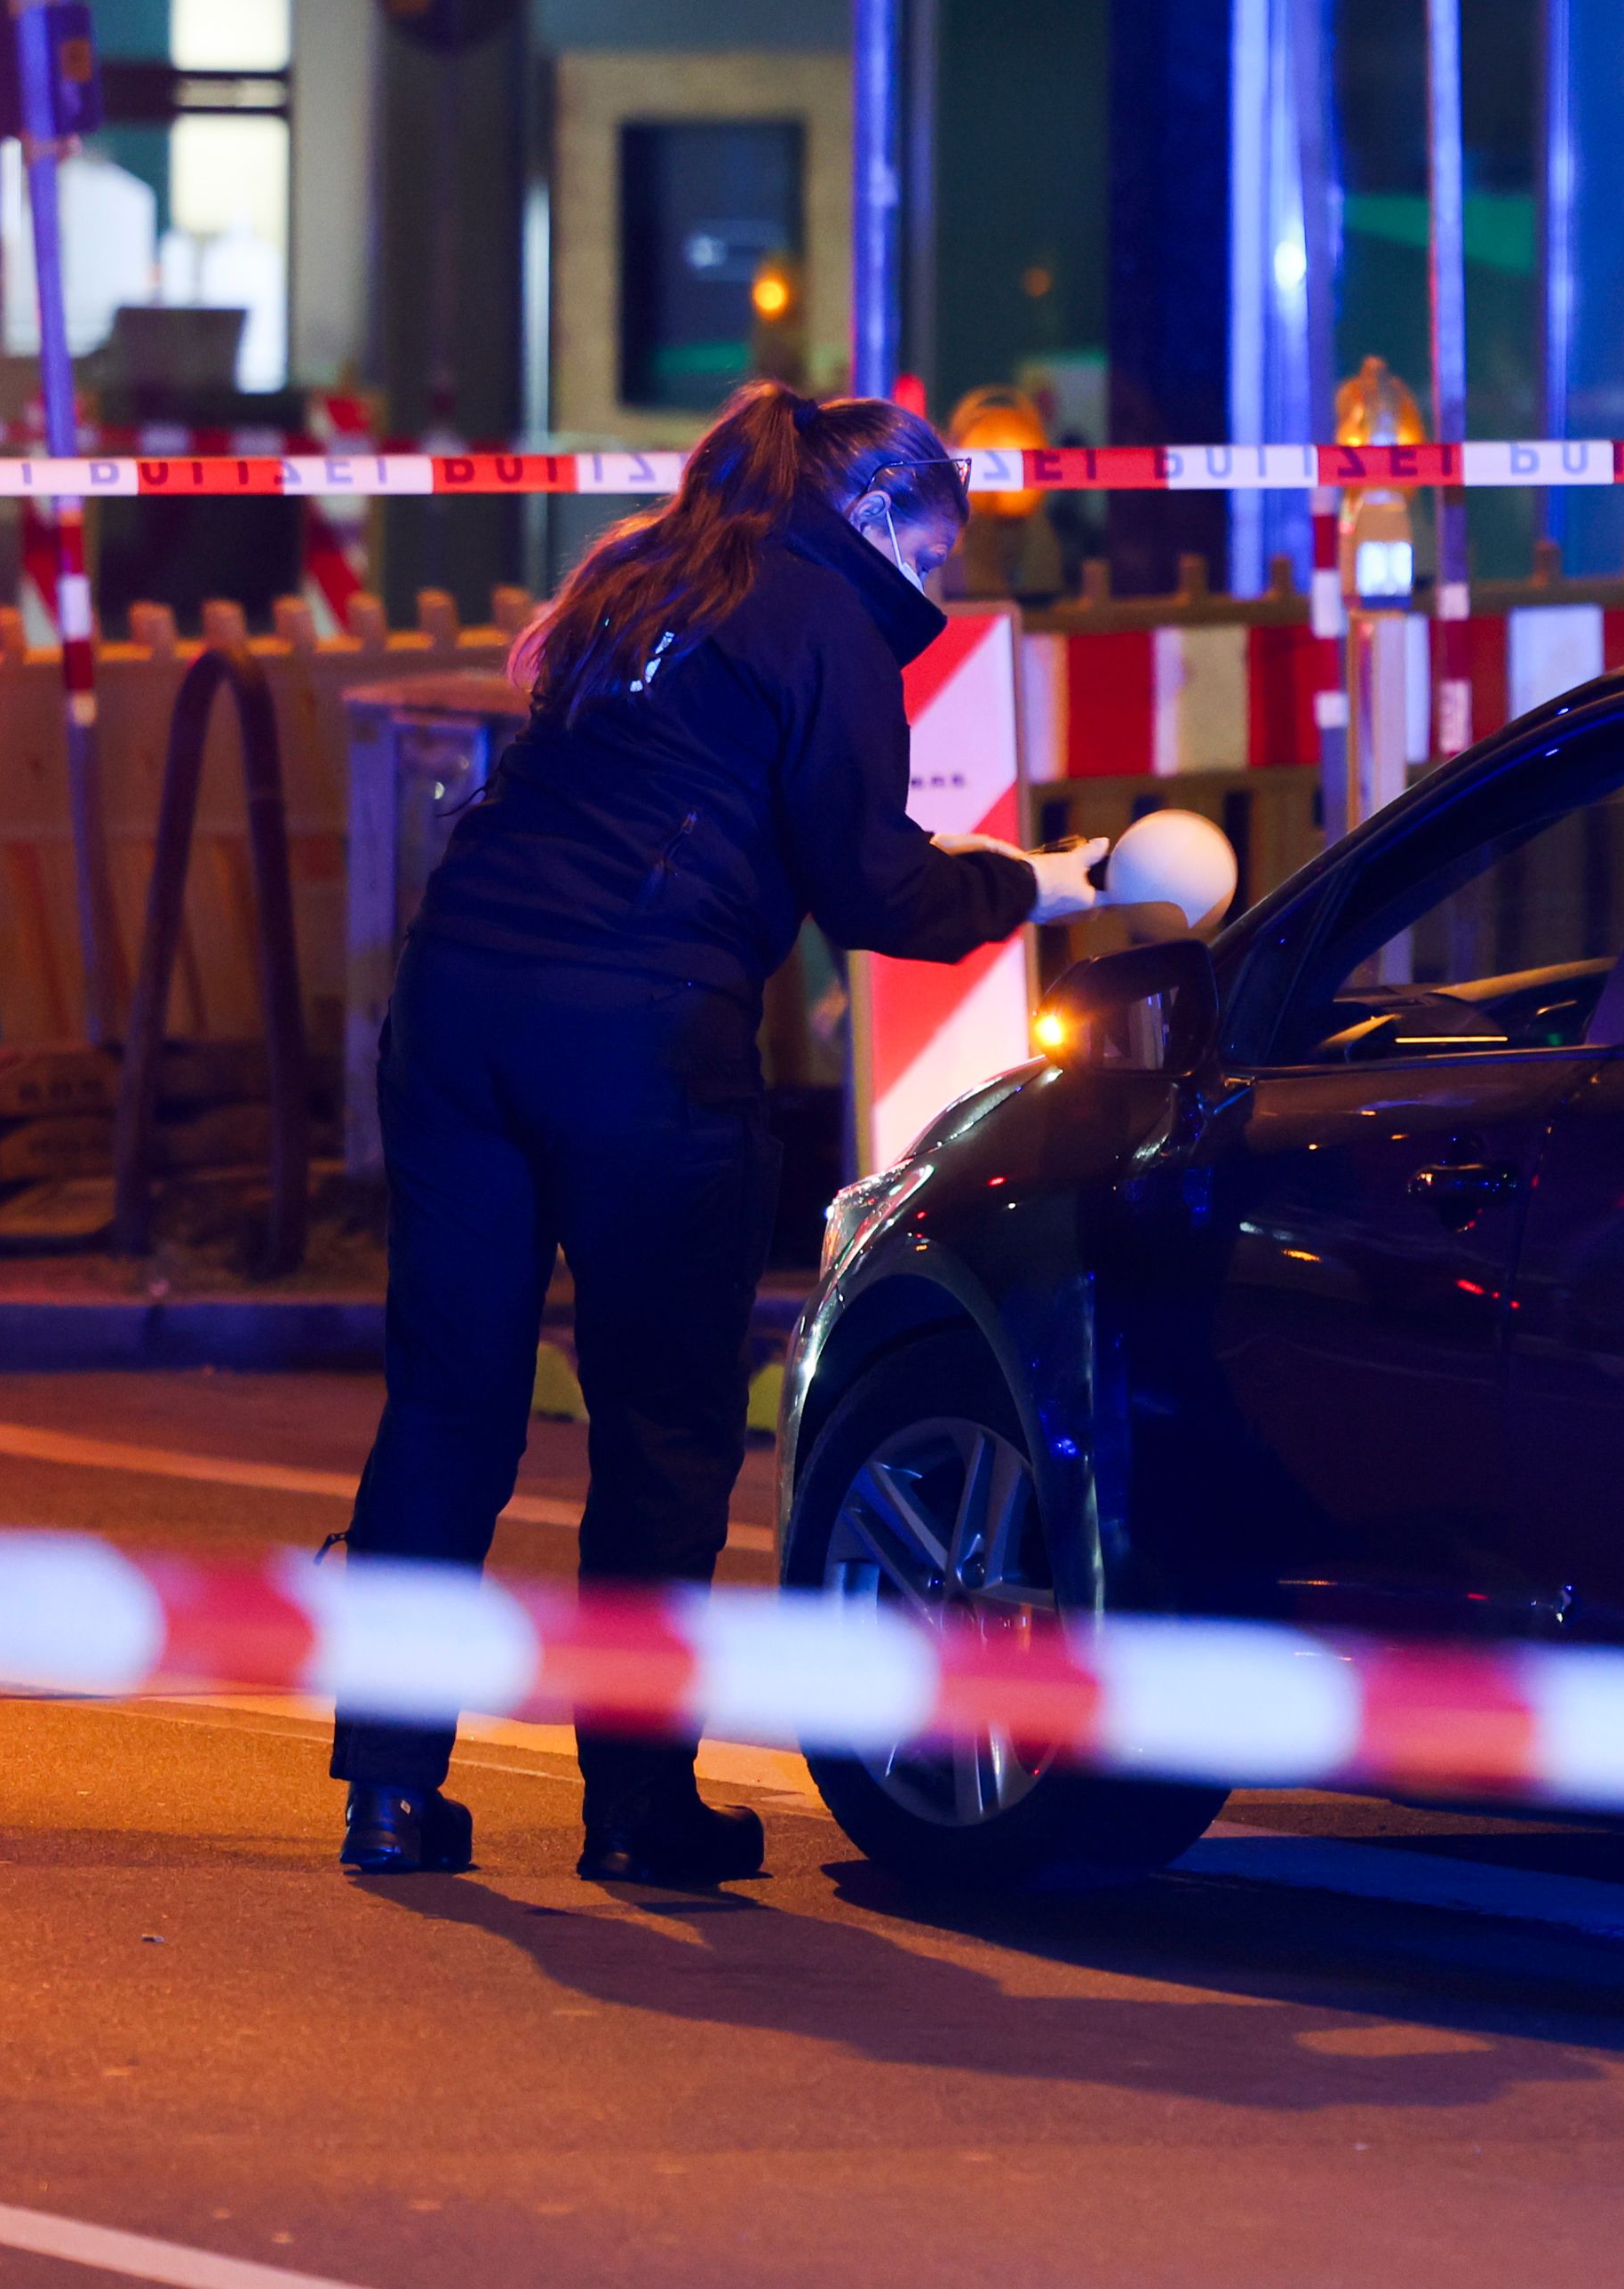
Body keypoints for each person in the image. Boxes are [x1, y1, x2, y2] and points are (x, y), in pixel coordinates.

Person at [330, 381, 1107, 1883]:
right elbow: (875, 887)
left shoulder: (645, 575)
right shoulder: (828, 622)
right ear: (873, 515)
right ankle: (637, 1808)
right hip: (642, 1035)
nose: (935, 584)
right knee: (663, 1425)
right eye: (933, 553)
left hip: (458, 1001)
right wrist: (1041, 886)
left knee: (445, 1404)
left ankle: (388, 1792)